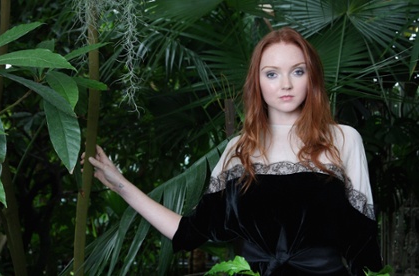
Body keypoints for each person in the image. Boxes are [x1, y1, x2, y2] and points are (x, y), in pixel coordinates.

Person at [81, 27, 383, 275]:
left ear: (311, 77)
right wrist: (119, 184)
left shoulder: (343, 139)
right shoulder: (238, 149)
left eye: (298, 71)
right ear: (258, 83)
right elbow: (189, 232)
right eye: (272, 74)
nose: (286, 84)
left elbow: (364, 244)